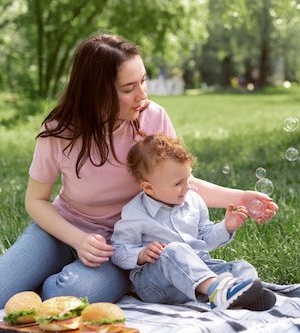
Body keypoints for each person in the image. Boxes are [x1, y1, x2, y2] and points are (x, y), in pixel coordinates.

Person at [0, 33, 278, 314]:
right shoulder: (60, 131)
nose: (143, 95)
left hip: (126, 246)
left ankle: (30, 277)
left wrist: (239, 197)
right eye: (129, 88)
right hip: (63, 231)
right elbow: (36, 200)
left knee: (71, 297)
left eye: (144, 81)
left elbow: (178, 184)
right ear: (98, 91)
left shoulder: (153, 118)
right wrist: (77, 240)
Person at [111, 133, 276, 311]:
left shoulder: (194, 201)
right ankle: (220, 291)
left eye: (188, 179)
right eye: (178, 183)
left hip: (196, 274)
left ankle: (234, 294)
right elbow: (118, 249)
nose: (188, 187)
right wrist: (141, 254)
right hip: (157, 284)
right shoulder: (135, 212)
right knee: (172, 249)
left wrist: (226, 226)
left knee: (241, 266)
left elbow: (205, 240)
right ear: (149, 187)